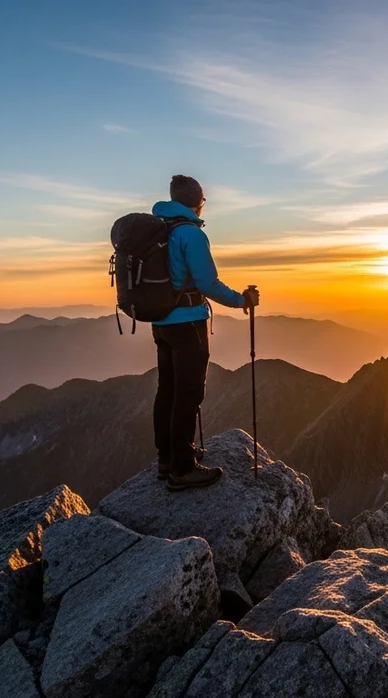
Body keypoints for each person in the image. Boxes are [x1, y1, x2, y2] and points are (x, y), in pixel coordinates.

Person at [151, 174, 258, 491]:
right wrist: (241, 301)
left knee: (168, 390)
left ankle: (167, 459)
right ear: (197, 202)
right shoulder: (190, 234)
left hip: (161, 322)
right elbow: (208, 283)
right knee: (189, 393)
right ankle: (183, 470)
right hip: (188, 324)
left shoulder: (161, 230)